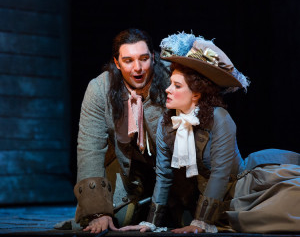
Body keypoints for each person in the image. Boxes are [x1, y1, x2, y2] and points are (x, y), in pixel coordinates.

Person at [119, 32, 300, 233]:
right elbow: (164, 176)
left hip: (246, 191)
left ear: (196, 94)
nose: (168, 90)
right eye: (170, 83)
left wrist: (201, 222)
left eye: (177, 86)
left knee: (288, 207)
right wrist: (151, 222)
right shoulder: (167, 124)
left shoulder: (220, 119)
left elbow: (220, 174)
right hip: (214, 206)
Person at [73, 28, 170, 234]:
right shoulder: (100, 88)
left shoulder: (173, 80)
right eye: (128, 61)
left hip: (172, 173)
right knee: (115, 219)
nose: (138, 68)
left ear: (153, 57)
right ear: (117, 63)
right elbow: (90, 148)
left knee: (179, 220)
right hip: (128, 171)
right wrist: (98, 212)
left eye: (144, 59)